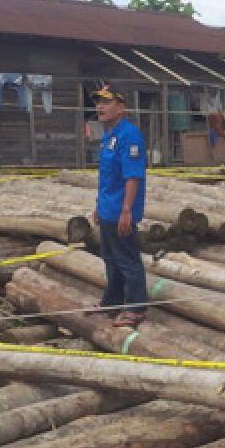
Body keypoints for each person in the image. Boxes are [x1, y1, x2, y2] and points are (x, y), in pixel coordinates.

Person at [92, 86, 148, 327]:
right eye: (98, 102)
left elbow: (132, 177)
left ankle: (136, 307)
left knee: (127, 259)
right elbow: (106, 176)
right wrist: (98, 205)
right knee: (110, 258)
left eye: (106, 102)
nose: (100, 107)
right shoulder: (109, 135)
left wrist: (127, 210)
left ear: (121, 107)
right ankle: (112, 302)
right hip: (107, 209)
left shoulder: (130, 135)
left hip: (120, 211)